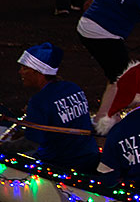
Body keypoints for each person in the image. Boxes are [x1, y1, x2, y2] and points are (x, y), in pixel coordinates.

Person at [12, 42, 98, 171]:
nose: (20, 72)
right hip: (90, 156)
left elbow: (31, 143)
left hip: (61, 164)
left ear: (38, 72)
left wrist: (3, 146)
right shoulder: (73, 87)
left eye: (25, 68)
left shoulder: (39, 101)